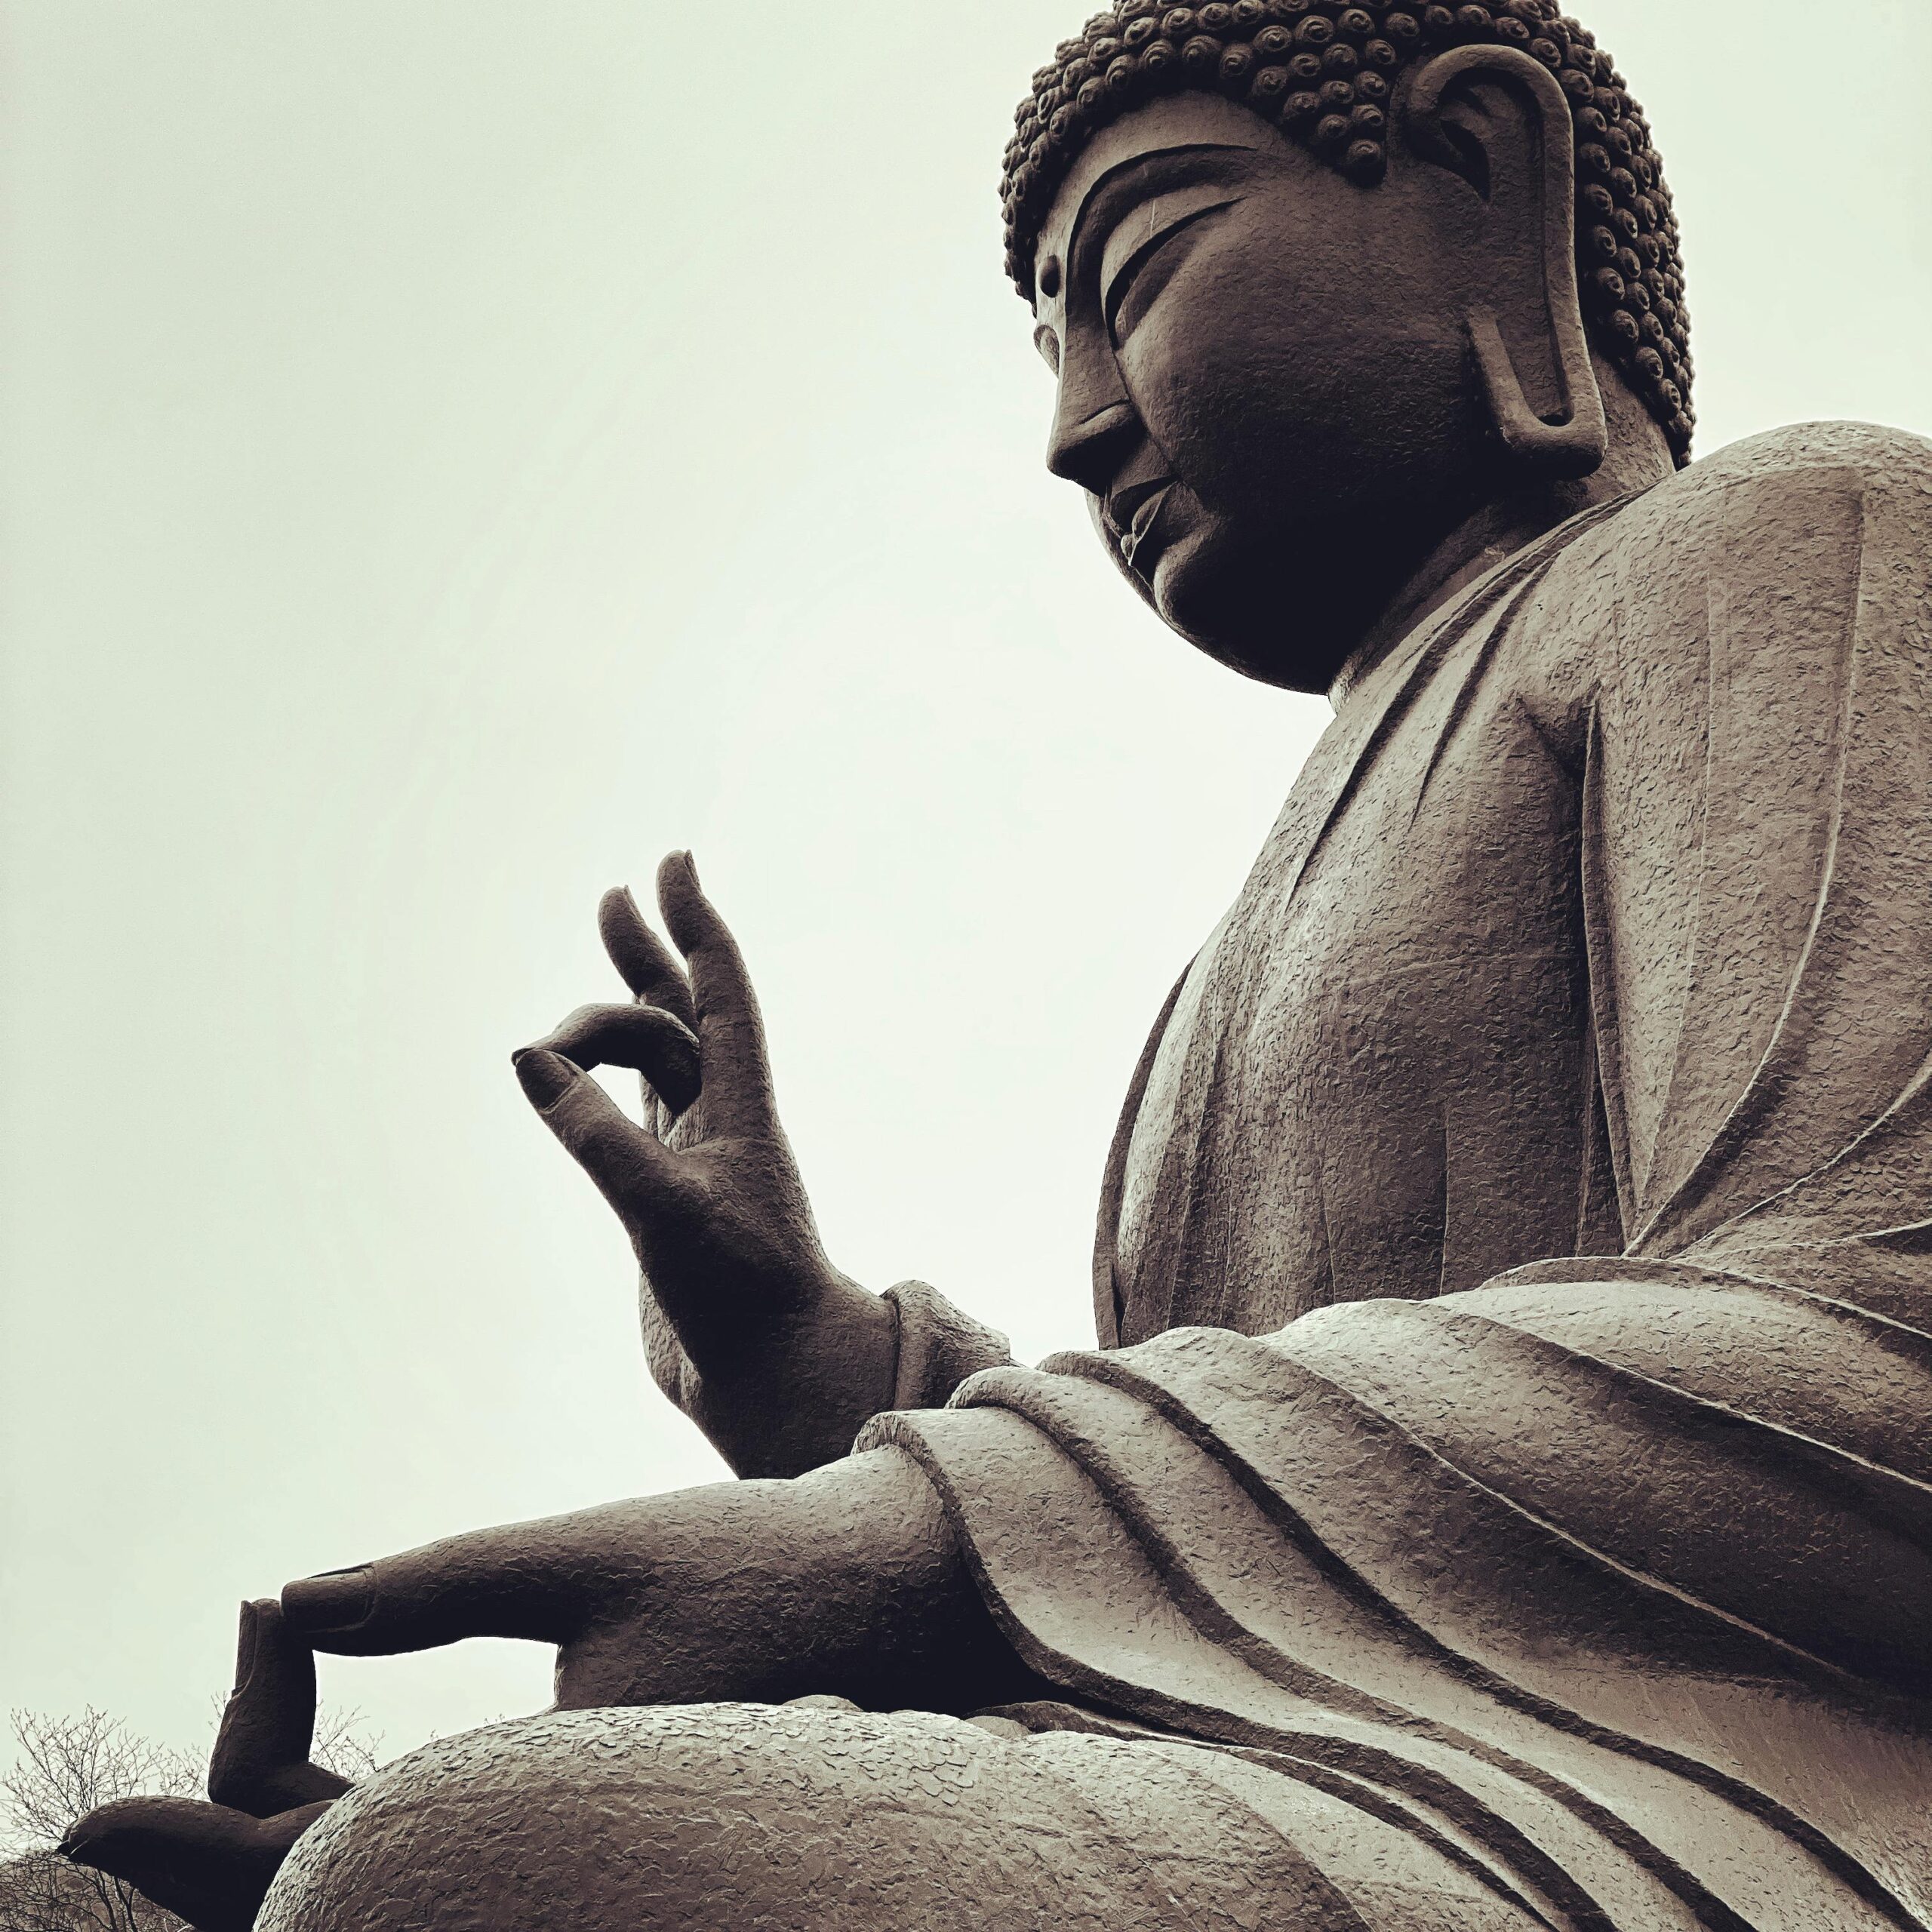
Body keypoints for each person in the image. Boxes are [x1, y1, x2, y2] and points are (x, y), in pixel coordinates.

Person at [65, 2, 1932, 1926]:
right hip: (1350, 1767)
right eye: (1051, 342)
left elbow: (1886, 1329)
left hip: (1741, 1787)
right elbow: (1204, 1551)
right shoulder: (1244, 938)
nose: (1077, 426)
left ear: (1482, 175)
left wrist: (920, 1531)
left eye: (1137, 274)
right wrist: (820, 1368)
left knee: (461, 1863)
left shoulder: (1785, 546)